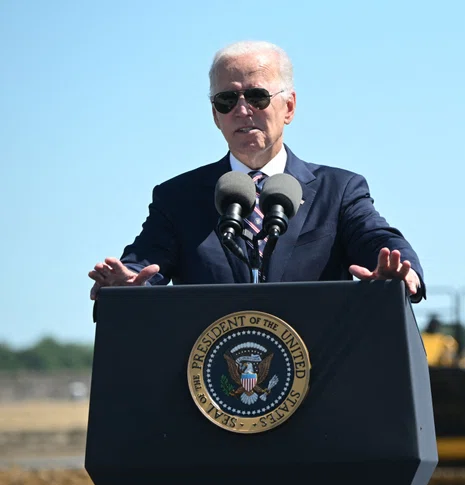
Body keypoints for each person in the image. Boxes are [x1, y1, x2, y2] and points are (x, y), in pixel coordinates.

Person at [88, 40, 424, 302]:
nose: (242, 110)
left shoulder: (338, 190)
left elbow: (378, 240)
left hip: (319, 374)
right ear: (215, 115)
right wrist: (126, 284)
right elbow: (144, 263)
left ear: (288, 107)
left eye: (258, 96)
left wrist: (401, 272)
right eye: (226, 101)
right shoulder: (178, 198)